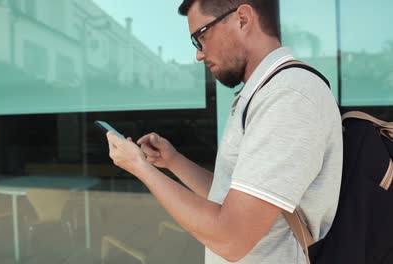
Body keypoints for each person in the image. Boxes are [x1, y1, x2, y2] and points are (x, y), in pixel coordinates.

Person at [106, 0, 343, 263]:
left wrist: (140, 167)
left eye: (201, 37)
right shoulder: (261, 93)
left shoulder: (288, 96)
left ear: (242, 19)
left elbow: (232, 239)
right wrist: (172, 161)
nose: (198, 54)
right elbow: (230, 197)